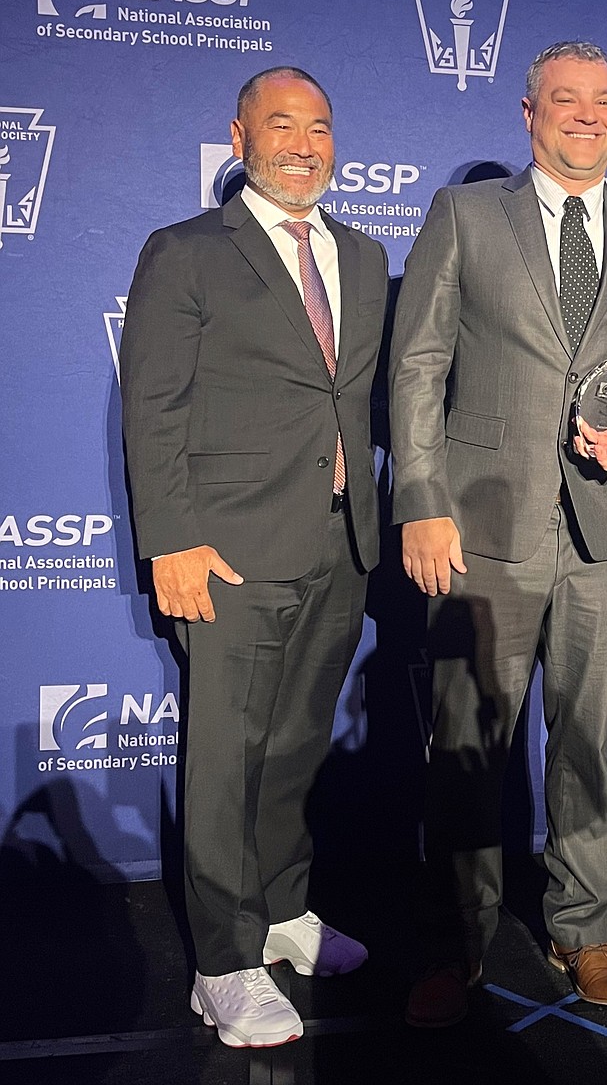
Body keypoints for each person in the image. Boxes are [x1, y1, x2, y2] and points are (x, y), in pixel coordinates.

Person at [389, 39, 607, 1028]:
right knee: (469, 746)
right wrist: (423, 499)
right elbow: (419, 365)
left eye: (603, 102)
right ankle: (458, 940)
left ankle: (583, 927)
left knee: (589, 747)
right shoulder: (466, 217)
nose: (586, 116)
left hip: (606, 530)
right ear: (528, 113)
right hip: (480, 528)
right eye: (565, 101)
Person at [120, 66, 389, 1049]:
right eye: (282, 124)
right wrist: (172, 541)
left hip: (339, 539)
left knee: (294, 749)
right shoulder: (186, 253)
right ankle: (223, 963)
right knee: (228, 758)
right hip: (227, 549)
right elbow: (151, 408)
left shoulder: (362, 256)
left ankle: (281, 910)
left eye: (320, 125)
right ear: (239, 137)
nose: (304, 143)